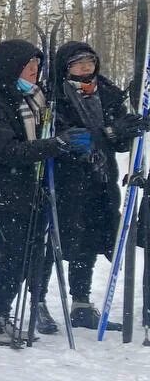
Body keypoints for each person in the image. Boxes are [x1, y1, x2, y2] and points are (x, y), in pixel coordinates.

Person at [0, 40, 93, 344]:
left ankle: (2, 312)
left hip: (25, 192)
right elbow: (9, 150)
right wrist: (56, 145)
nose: (34, 74)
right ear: (12, 68)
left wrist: (63, 143)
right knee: (11, 256)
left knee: (25, 256)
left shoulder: (33, 99)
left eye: (37, 68)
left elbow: (40, 137)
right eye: (28, 68)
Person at [49, 42, 147, 329]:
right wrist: (106, 133)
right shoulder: (56, 95)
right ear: (66, 68)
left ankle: (81, 303)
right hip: (68, 181)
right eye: (79, 64)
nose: (86, 69)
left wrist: (128, 129)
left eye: (90, 62)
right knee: (66, 241)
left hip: (101, 179)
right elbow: (64, 135)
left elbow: (117, 140)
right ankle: (39, 301)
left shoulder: (106, 92)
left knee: (93, 241)